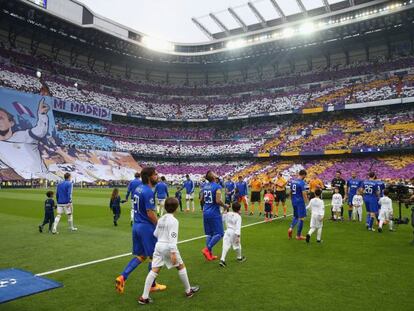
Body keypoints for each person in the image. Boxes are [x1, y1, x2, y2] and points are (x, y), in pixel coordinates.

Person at [138, 198, 199, 305]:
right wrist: (173, 252)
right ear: (176, 208)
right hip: (168, 246)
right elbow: (173, 238)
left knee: (154, 270)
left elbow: (155, 234)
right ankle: (188, 291)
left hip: (158, 246)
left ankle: (144, 297)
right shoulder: (174, 221)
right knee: (181, 266)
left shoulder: (161, 218)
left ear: (165, 207)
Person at [115, 167, 166, 294]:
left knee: (141, 256)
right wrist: (160, 225)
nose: (157, 176)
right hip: (146, 228)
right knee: (155, 256)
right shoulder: (148, 191)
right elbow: (150, 213)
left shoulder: (138, 188)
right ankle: (152, 285)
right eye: (155, 174)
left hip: (136, 226)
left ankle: (123, 277)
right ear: (149, 177)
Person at [0, 100, 51, 179]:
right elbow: (5, 170)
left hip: (45, 177)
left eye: (0, 118)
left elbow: (41, 130)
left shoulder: (23, 136)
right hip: (24, 180)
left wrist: (42, 114)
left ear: (11, 123)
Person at [201, 170, 228, 261]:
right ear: (213, 177)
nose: (216, 174)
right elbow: (218, 201)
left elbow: (202, 199)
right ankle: (207, 249)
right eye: (214, 173)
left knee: (209, 234)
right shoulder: (217, 186)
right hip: (214, 213)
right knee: (220, 233)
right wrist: (225, 206)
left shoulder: (204, 186)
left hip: (206, 212)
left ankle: (210, 254)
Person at [219, 202, 246, 267]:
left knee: (225, 246)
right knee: (238, 245)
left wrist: (225, 208)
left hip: (227, 231)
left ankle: (222, 259)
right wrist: (238, 237)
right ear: (239, 209)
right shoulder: (238, 217)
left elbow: (222, 218)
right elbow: (238, 228)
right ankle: (239, 258)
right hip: (234, 233)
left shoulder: (228, 213)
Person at [288, 170, 308, 240]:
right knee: (301, 218)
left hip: (294, 201)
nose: (305, 177)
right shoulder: (302, 183)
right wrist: (306, 202)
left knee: (296, 216)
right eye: (305, 176)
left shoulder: (293, 181)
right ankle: (298, 235)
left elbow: (290, 191)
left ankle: (290, 228)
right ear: (303, 175)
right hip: (300, 202)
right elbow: (304, 193)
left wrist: (291, 198)